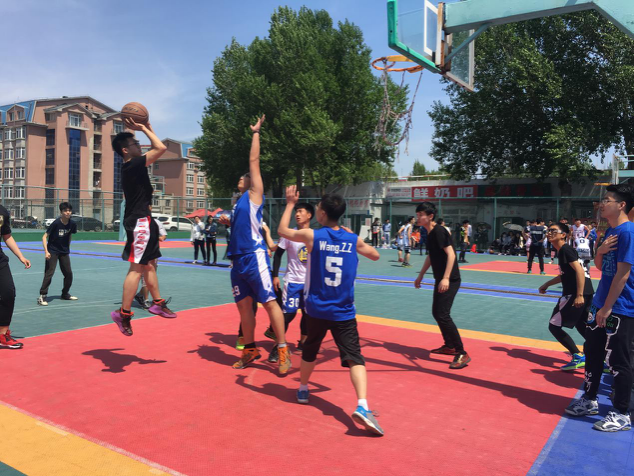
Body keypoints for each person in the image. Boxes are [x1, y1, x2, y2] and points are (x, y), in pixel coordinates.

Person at [278, 186, 384, 436]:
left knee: (310, 349)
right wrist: (353, 238)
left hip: (316, 308)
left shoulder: (313, 236)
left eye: (317, 208)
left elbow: (282, 231)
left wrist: (290, 203)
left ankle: (303, 388)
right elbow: (376, 255)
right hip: (343, 310)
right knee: (355, 357)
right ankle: (362, 404)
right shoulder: (351, 239)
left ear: (322, 213)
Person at [217, 116, 291, 374]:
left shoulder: (254, 194)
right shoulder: (239, 202)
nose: (241, 177)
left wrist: (256, 133)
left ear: (252, 182)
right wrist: (229, 221)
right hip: (237, 259)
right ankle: (250, 349)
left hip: (254, 255)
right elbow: (244, 225)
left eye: (245, 176)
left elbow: (254, 161)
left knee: (269, 302)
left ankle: (283, 349)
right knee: (244, 307)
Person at [565, 184, 634, 432]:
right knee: (593, 353)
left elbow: (623, 275)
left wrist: (607, 307)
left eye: (607, 200)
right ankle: (590, 399)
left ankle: (622, 413)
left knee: (618, 360)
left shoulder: (628, 232)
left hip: (619, 308)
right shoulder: (611, 231)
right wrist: (601, 250)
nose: (602, 204)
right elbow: (599, 266)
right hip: (600, 305)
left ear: (621, 205)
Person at [110, 117, 176, 336]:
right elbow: (161, 148)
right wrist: (145, 129)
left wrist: (148, 128)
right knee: (137, 268)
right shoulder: (133, 164)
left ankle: (157, 303)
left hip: (144, 220)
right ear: (125, 150)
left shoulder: (134, 166)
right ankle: (123, 314)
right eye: (135, 143)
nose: (139, 146)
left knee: (149, 265)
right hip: (139, 222)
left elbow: (156, 147)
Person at [414, 202, 471, 369]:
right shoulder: (429, 233)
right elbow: (431, 256)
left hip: (450, 279)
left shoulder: (439, 231)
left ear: (430, 216)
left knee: (443, 314)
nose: (418, 218)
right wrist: (421, 275)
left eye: (421, 215)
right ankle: (449, 346)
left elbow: (451, 254)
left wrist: (445, 278)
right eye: (417, 215)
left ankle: (461, 352)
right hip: (440, 278)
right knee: (437, 313)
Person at [539, 222, 593, 371]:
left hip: (576, 293)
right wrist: (547, 284)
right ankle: (600, 355)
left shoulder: (565, 250)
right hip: (586, 291)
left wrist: (579, 295)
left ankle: (578, 356)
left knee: (554, 326)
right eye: (549, 230)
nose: (549, 233)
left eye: (554, 231)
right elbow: (566, 274)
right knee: (582, 324)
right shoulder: (564, 250)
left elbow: (579, 271)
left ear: (563, 235)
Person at [265, 202, 314, 363]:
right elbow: (278, 254)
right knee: (288, 314)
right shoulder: (289, 234)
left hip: (309, 284)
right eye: (296, 211)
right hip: (293, 282)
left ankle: (303, 342)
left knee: (308, 314)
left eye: (300, 211)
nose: (297, 214)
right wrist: (275, 276)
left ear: (309, 215)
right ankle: (277, 346)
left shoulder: (314, 235)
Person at [0, 206, 31, 348]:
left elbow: (6, 236)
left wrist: (21, 256)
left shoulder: (2, 212)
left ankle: (3, 334)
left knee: (8, 292)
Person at [37, 202, 78, 306]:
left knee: (68, 274)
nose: (68, 212)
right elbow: (44, 236)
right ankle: (42, 296)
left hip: (64, 252)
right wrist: (46, 251)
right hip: (52, 251)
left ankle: (65, 294)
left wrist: (68, 247)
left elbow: (69, 235)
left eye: (69, 210)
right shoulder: (56, 223)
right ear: (61, 212)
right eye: (65, 211)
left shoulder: (72, 224)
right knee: (49, 273)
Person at [135, 213, 167, 309]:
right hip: (140, 253)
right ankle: (145, 300)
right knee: (144, 278)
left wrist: (153, 237)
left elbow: (163, 237)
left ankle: (140, 295)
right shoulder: (138, 222)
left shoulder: (156, 222)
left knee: (150, 277)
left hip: (153, 253)